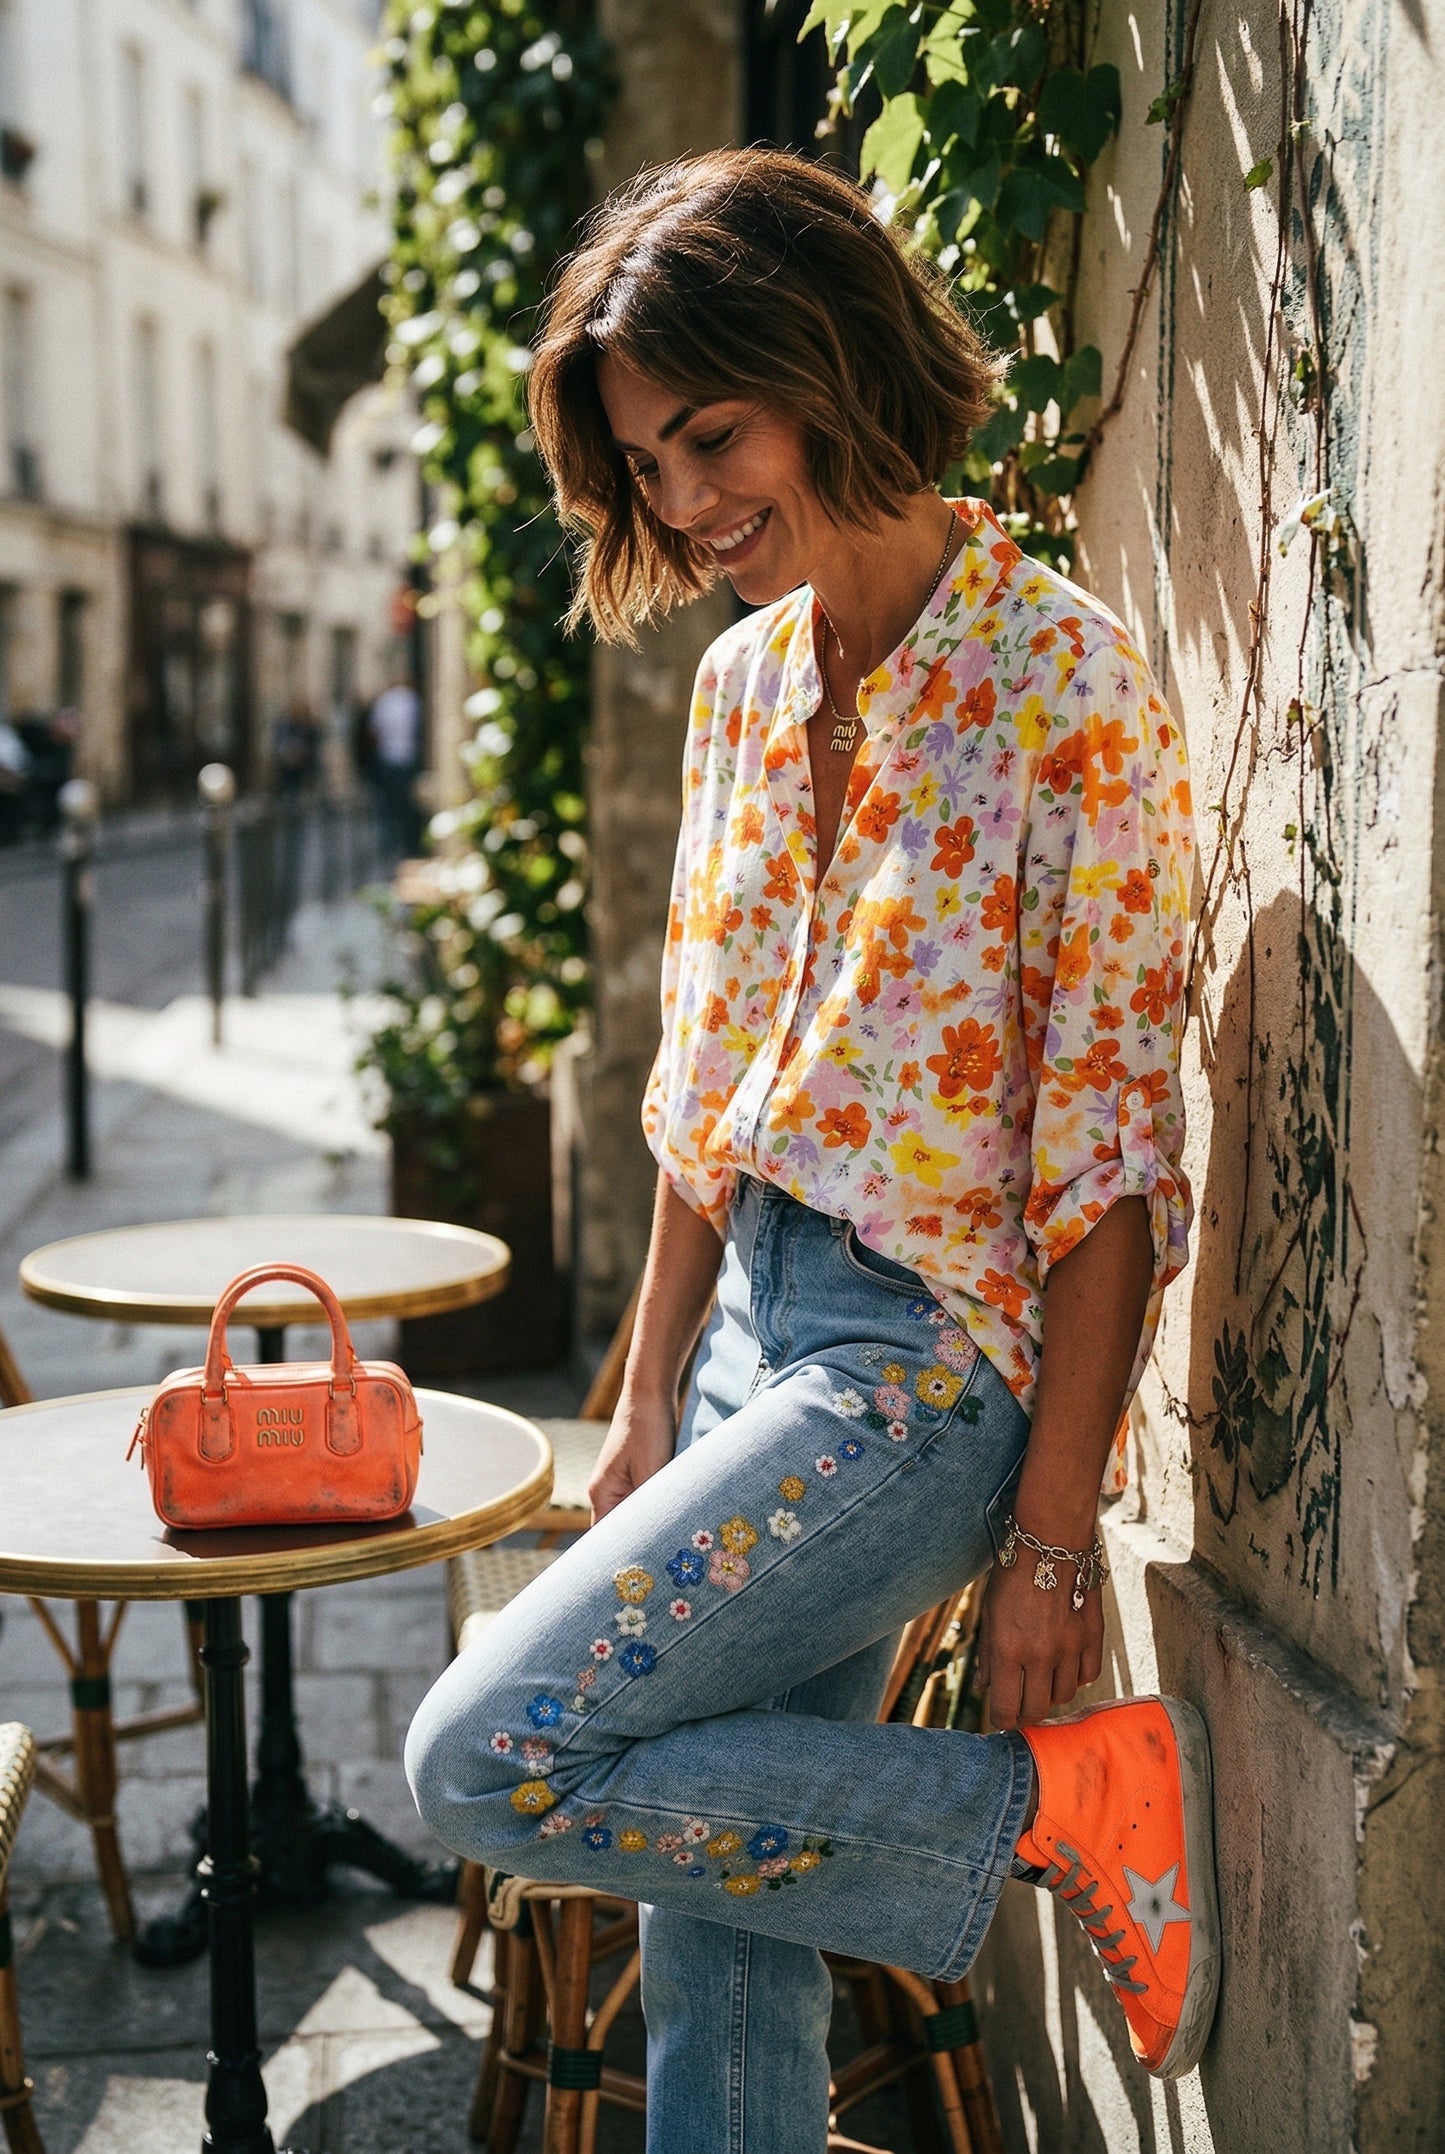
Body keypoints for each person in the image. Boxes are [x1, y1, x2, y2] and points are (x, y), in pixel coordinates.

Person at [406, 148, 1216, 2145]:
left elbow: (1103, 1163)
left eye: (710, 434)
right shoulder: (743, 689)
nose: (682, 504)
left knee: (485, 1756)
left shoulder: (1061, 690)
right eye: (644, 462)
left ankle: (1055, 1803)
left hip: (922, 1375)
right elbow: (707, 1100)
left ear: (826, 359)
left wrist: (1045, 1535)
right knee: (720, 1929)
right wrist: (635, 1407)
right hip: (744, 1345)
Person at [367, 672, 423, 859]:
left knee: (389, 804)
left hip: (388, 758)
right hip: (408, 757)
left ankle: (389, 845)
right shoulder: (413, 700)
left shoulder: (385, 701)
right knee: (408, 804)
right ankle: (409, 846)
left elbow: (374, 731)